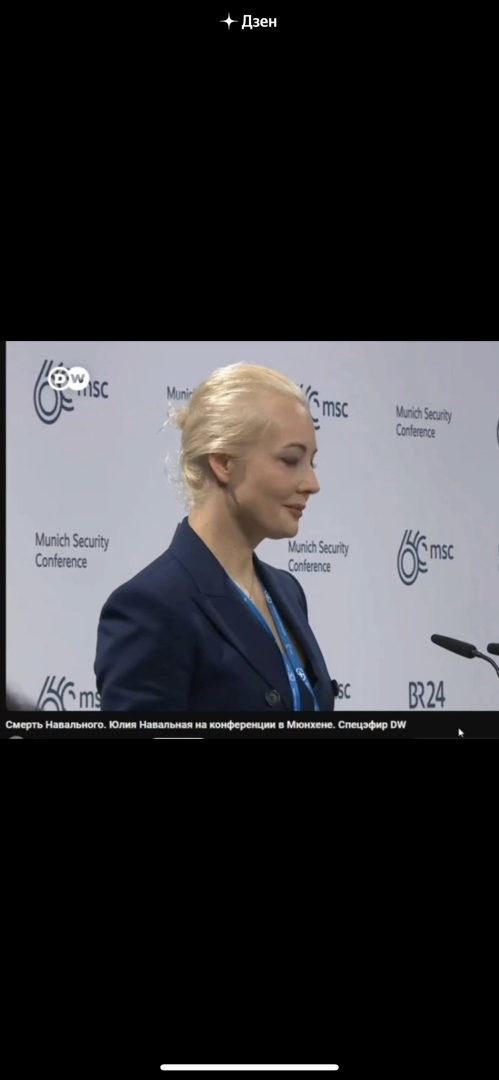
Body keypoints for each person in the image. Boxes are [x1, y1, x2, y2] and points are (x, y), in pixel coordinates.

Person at [94, 363, 339, 711]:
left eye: (312, 462)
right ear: (223, 461)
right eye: (290, 460)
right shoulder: (151, 608)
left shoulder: (288, 592)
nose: (312, 484)